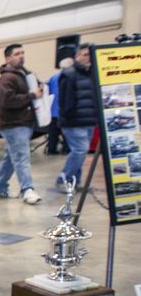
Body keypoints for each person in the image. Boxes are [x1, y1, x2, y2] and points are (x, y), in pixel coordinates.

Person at [0, 43, 43, 204]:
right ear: (8, 58)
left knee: (11, 157)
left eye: (22, 52)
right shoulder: (6, 78)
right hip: (13, 124)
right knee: (21, 157)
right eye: (16, 54)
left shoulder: (24, 74)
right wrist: (31, 95)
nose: (21, 56)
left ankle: (0, 188)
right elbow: (6, 100)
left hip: (22, 123)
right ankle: (27, 189)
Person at [57, 43, 99, 188]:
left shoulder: (93, 73)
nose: (89, 58)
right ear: (77, 56)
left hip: (88, 121)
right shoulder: (69, 74)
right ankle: (64, 179)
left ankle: (75, 181)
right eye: (85, 55)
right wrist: (68, 118)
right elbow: (65, 102)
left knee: (80, 152)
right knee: (80, 150)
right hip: (73, 122)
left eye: (90, 55)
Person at [46, 57, 74, 155]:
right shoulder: (70, 77)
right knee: (66, 133)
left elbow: (48, 92)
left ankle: (51, 149)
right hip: (64, 110)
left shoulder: (53, 78)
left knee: (53, 133)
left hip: (53, 111)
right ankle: (66, 149)